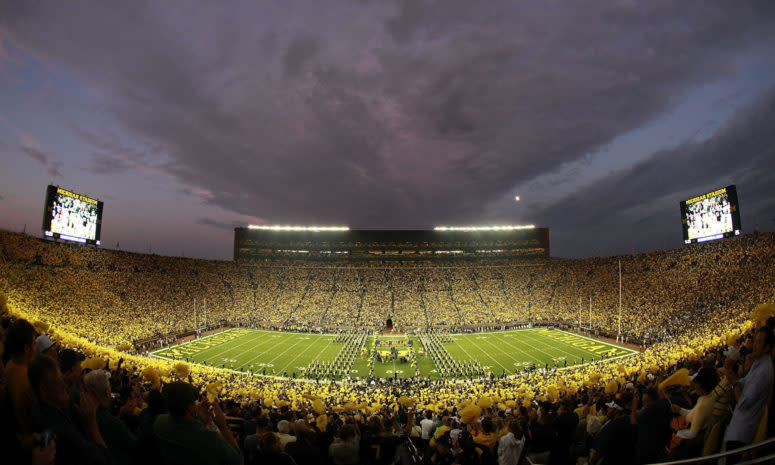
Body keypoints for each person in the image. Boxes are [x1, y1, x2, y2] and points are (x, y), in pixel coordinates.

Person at [28, 354, 111, 465]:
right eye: (57, 382)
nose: (64, 385)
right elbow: (103, 460)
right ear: (43, 389)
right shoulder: (61, 430)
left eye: (61, 379)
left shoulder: (37, 408)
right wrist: (92, 425)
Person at [153, 381, 242, 465]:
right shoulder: (210, 437)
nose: (197, 404)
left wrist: (199, 421)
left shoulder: (159, 421)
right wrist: (223, 427)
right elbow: (238, 461)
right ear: (190, 407)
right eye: (194, 402)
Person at [724, 327, 774, 452]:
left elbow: (742, 402)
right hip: (738, 427)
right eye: (755, 341)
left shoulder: (764, 371)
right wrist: (733, 378)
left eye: (759, 342)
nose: (754, 345)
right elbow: (744, 382)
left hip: (741, 433)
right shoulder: (759, 363)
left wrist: (734, 382)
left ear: (767, 347)